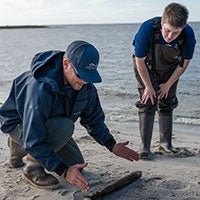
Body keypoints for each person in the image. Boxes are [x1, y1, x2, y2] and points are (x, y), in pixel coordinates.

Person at [0, 40, 139, 191]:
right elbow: (34, 137)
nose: (84, 81)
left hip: (51, 125)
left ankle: (18, 147)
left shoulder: (85, 85)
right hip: (20, 124)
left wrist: (111, 145)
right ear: (66, 64)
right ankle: (32, 167)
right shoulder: (40, 87)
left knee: (77, 164)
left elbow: (94, 120)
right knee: (65, 128)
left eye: (89, 76)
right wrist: (64, 172)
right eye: (80, 75)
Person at [132, 3, 196, 160]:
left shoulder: (188, 34)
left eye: (175, 33)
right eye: (167, 31)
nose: (169, 37)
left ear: (183, 27)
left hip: (171, 69)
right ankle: (145, 148)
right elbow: (139, 61)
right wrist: (148, 86)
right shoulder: (147, 28)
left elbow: (184, 64)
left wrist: (168, 84)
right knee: (148, 100)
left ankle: (166, 144)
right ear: (162, 22)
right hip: (146, 66)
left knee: (167, 102)